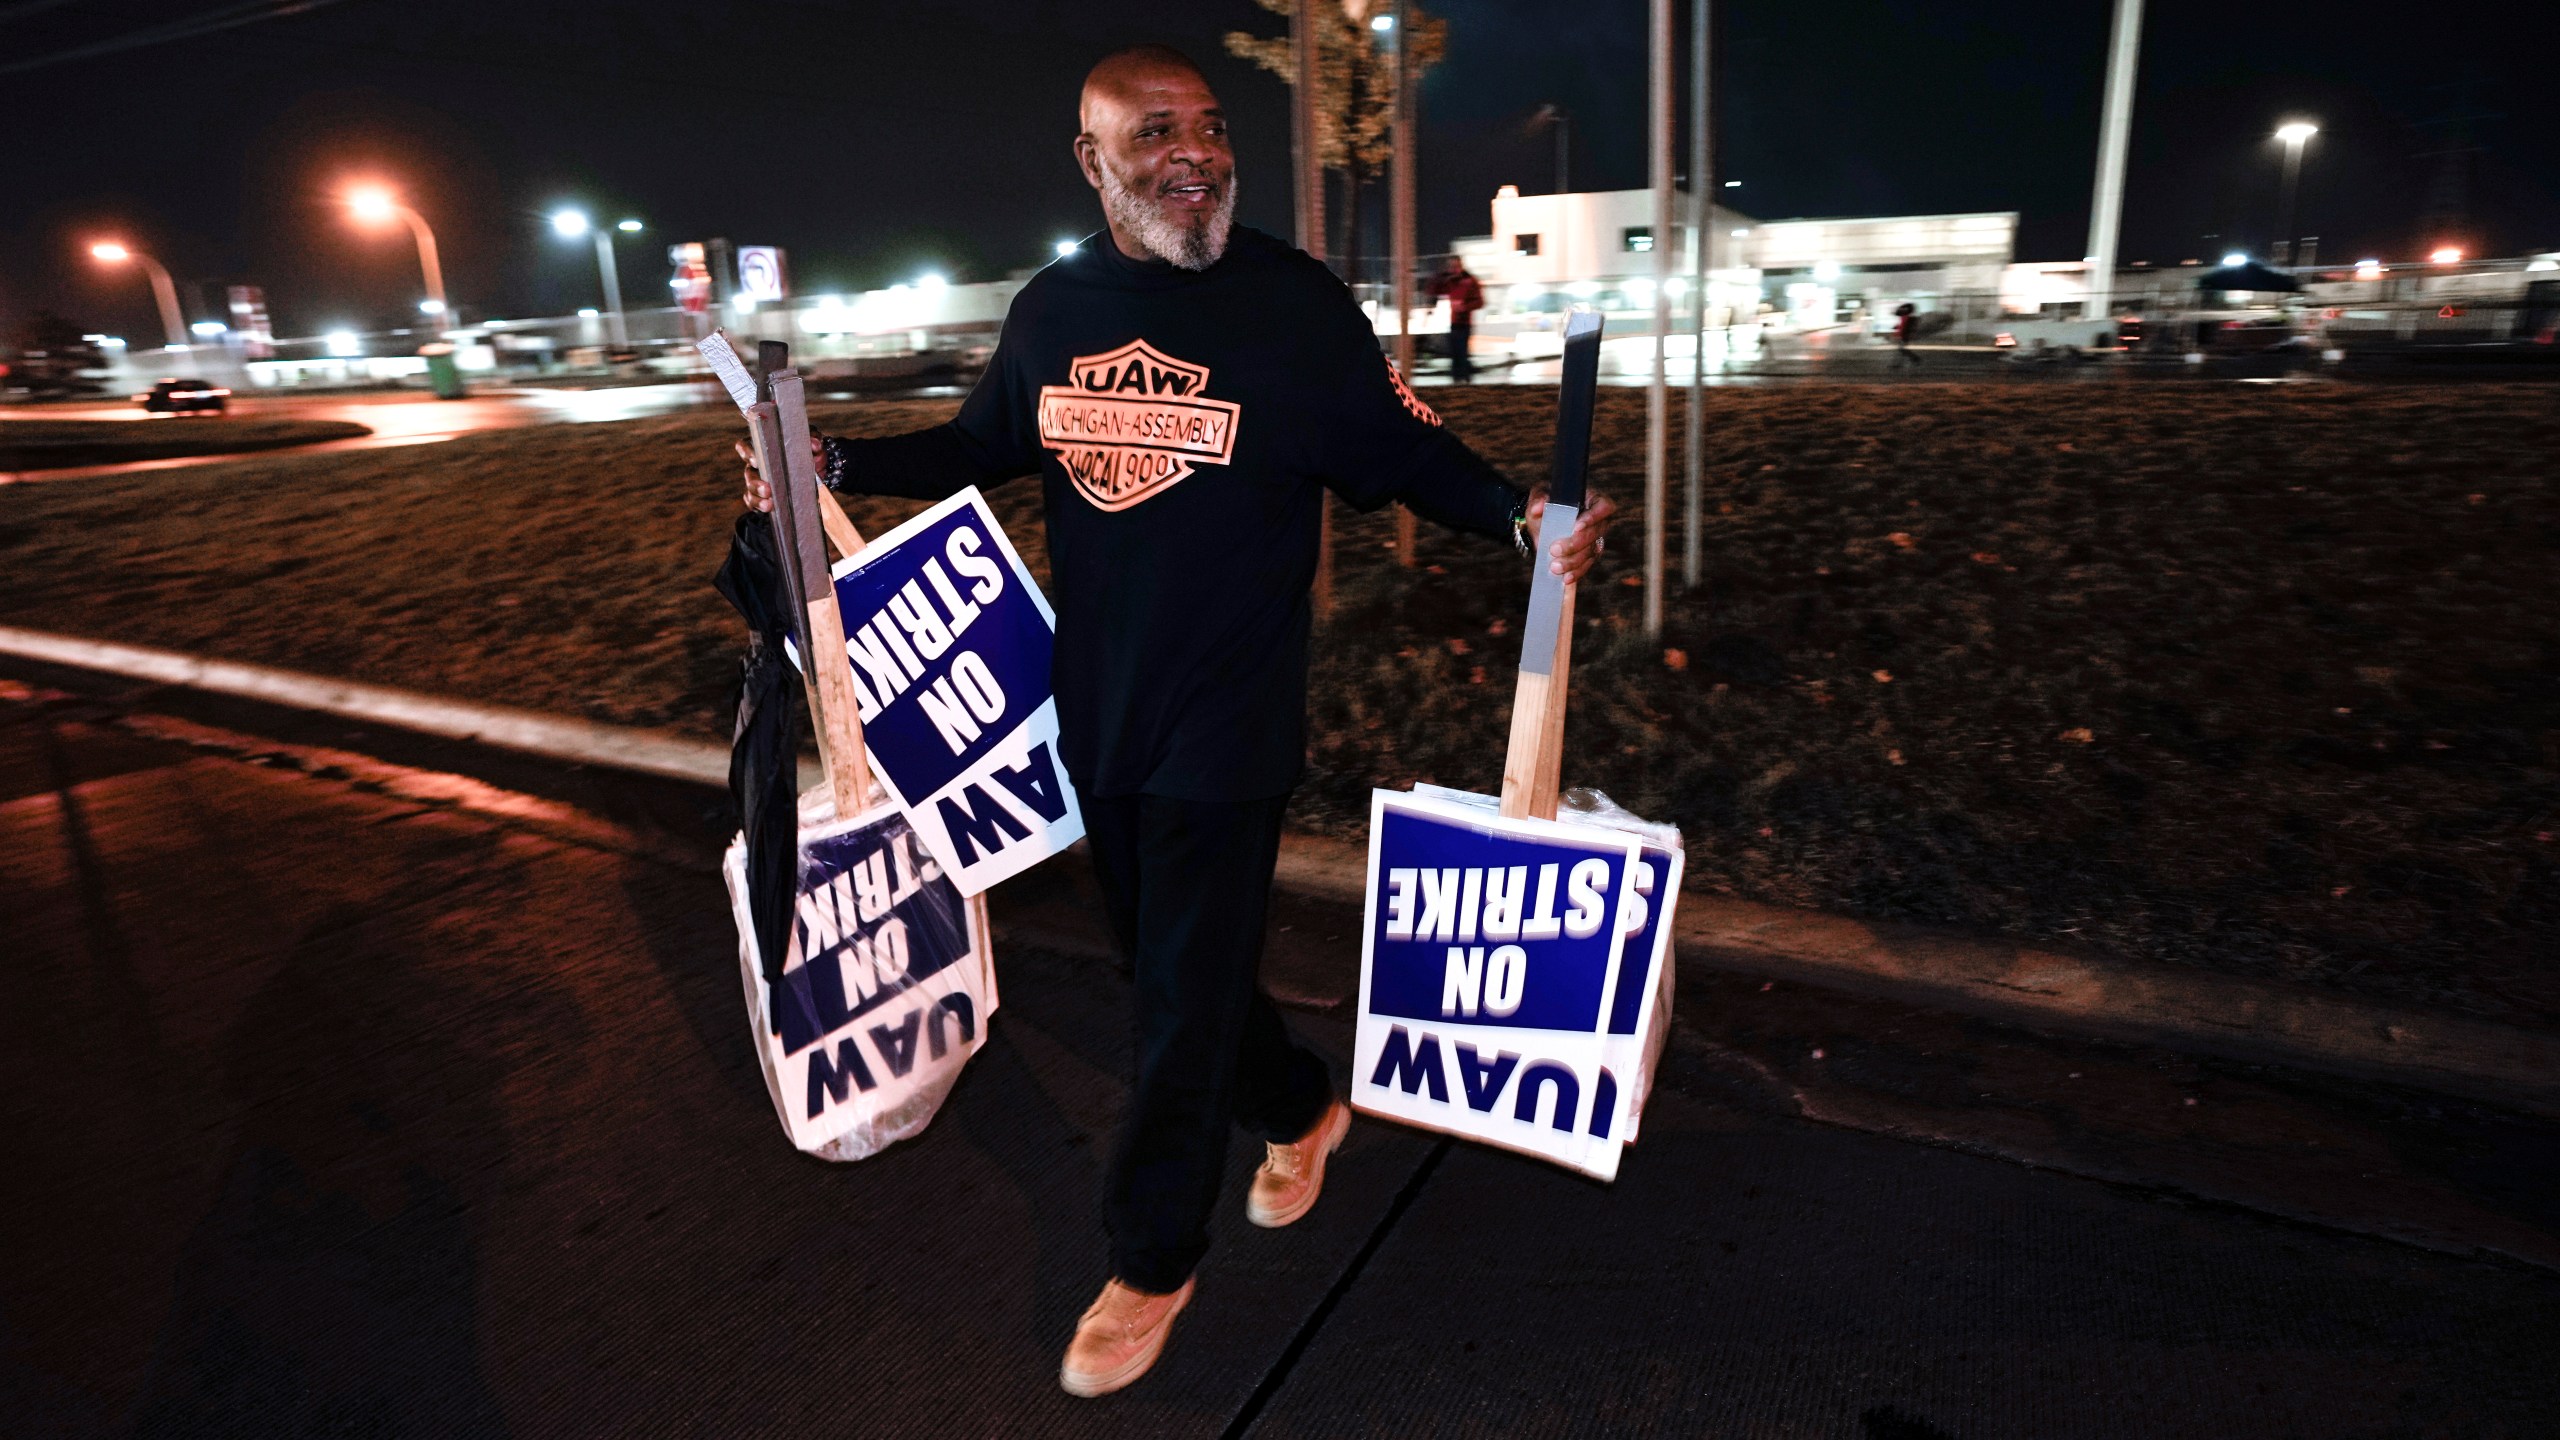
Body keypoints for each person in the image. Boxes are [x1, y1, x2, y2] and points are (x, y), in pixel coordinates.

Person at [736, 44, 1616, 1399]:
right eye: (1156, 135)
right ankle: (1299, 1105)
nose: (1194, 153)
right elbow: (980, 448)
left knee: (1176, 997)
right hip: (1095, 708)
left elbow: (1401, 449)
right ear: (1094, 164)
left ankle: (1150, 1258)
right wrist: (829, 462)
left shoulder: (1294, 306)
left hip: (1231, 716)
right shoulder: (1053, 309)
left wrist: (1520, 517)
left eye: (1208, 127)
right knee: (1171, 967)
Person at [1424, 254, 1485, 382]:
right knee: (1456, 351)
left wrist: (1464, 307)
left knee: (1460, 351)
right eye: (1451, 267)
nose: (1453, 269)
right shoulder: (1450, 281)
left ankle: (1462, 377)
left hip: (1463, 321)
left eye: (1455, 266)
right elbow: (1432, 289)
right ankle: (1459, 378)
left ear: (1461, 266)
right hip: (1453, 321)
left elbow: (1480, 302)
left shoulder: (1469, 281)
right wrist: (1442, 275)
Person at [1893, 300, 1923, 367]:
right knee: (1901, 350)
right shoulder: (1905, 317)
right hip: (1903, 335)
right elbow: (1902, 325)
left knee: (1901, 349)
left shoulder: (1908, 317)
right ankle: (1913, 359)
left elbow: (1905, 326)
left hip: (1904, 335)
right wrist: (1896, 327)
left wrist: (1900, 331)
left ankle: (1915, 359)